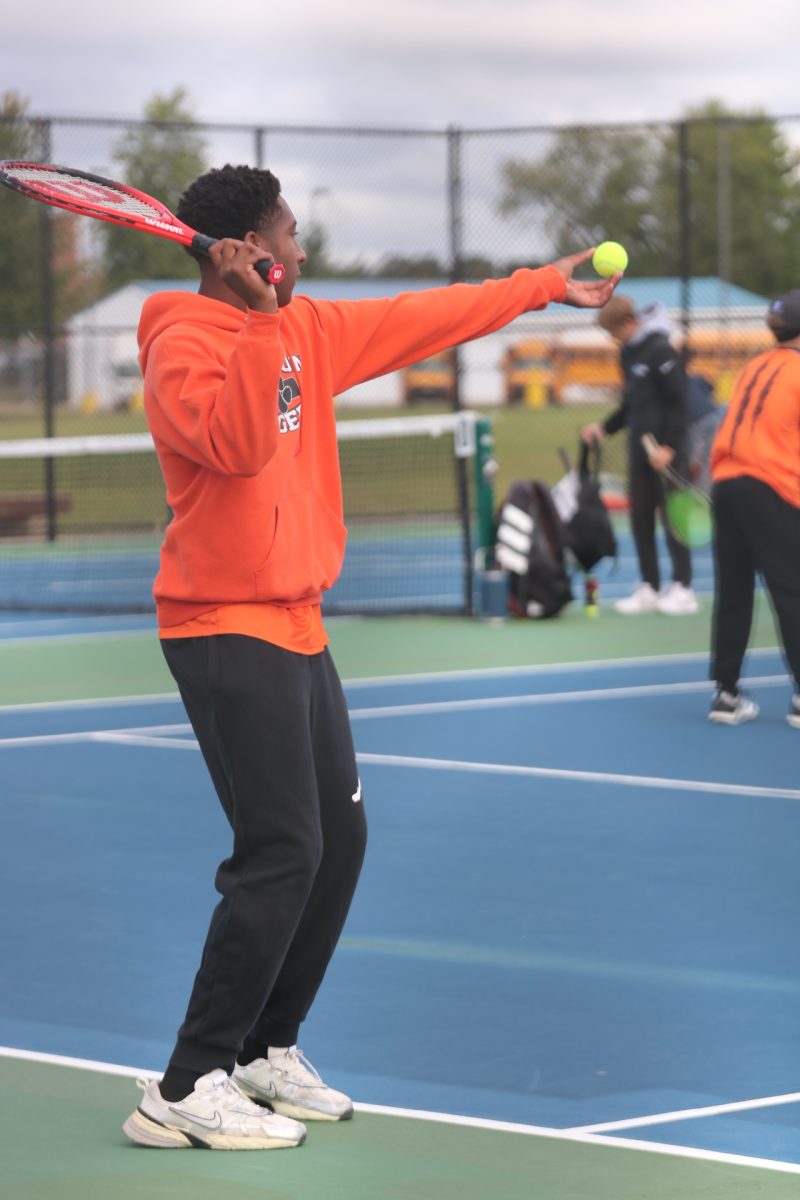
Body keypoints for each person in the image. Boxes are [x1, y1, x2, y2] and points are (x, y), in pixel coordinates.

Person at [122, 162, 621, 1152]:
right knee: (280, 852)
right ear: (253, 252)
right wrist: (261, 323)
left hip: (295, 622)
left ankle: (265, 1049)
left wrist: (540, 285)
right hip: (221, 623)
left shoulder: (306, 328)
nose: (303, 251)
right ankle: (184, 1082)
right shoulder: (180, 339)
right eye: (290, 235)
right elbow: (234, 444)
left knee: (336, 847)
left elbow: (422, 314)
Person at [707, 289, 800, 727]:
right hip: (771, 487)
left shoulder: (754, 367)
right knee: (793, 592)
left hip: (727, 484)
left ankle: (725, 695)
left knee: (734, 594)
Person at [581, 295, 699, 616]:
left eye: (612, 331)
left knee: (674, 519)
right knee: (640, 520)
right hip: (639, 451)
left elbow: (680, 404)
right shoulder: (627, 352)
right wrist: (604, 428)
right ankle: (650, 585)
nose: (611, 338)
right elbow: (631, 406)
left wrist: (669, 447)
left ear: (628, 323)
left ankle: (684, 588)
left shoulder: (662, 350)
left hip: (667, 454)